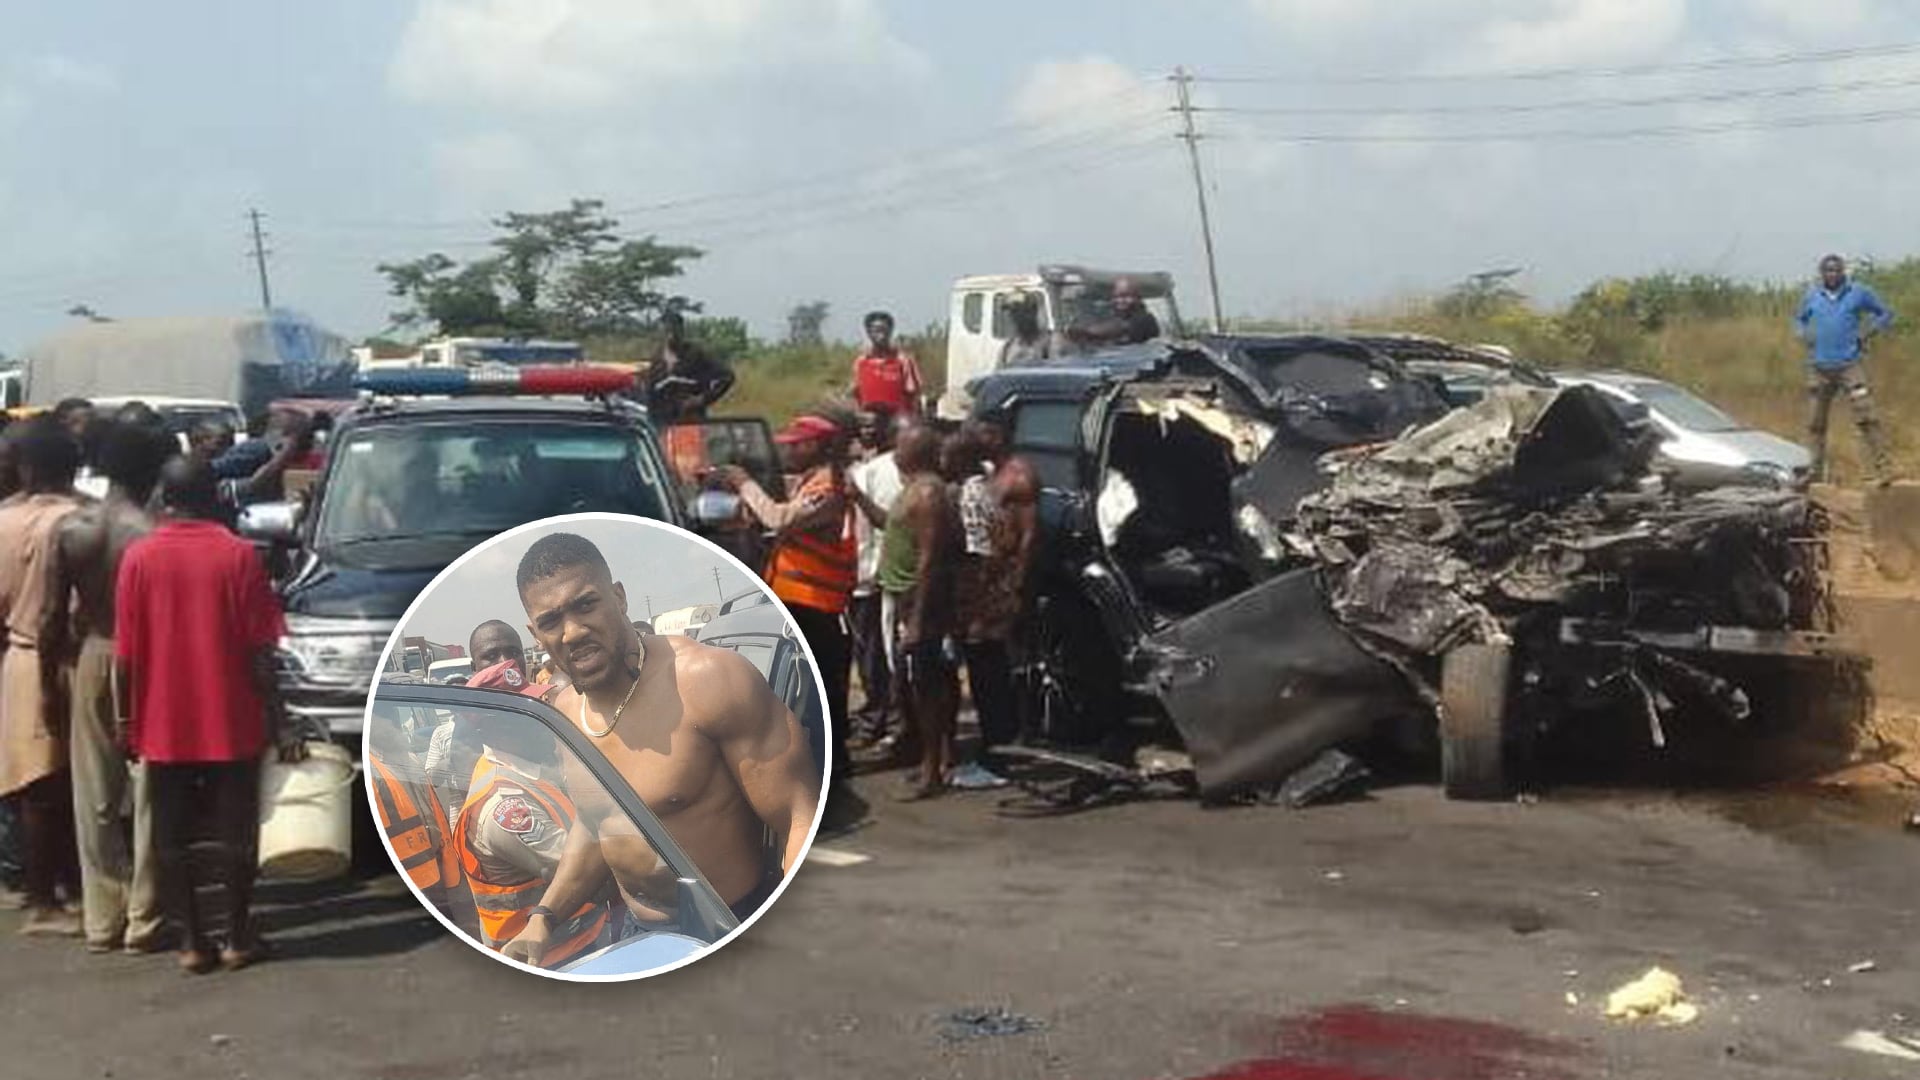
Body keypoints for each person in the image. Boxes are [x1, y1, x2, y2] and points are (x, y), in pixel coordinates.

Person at [499, 532, 822, 965]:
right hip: (641, 936)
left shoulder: (707, 681)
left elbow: (799, 817)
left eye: (586, 605)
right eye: (552, 620)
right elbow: (598, 824)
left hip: (730, 925)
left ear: (619, 597)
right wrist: (542, 919)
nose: (573, 632)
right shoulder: (564, 711)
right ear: (535, 633)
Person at [115, 458, 302, 974]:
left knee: (171, 832)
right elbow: (260, 652)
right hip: (232, 714)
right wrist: (279, 716)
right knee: (236, 828)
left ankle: (193, 943)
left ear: (163, 498)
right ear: (213, 496)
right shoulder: (238, 555)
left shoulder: (139, 557)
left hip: (162, 716)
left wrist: (126, 722)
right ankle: (239, 936)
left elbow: (126, 654)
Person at [41, 422, 174, 953]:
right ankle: (145, 917)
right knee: (150, 792)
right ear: (151, 475)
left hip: (92, 652)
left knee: (93, 794)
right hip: (147, 658)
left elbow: (53, 616)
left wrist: (52, 681)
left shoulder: (73, 529)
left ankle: (102, 919)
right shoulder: (153, 534)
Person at [714, 413, 860, 828]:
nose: (790, 448)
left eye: (799, 443)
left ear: (820, 446)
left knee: (815, 693)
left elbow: (779, 518)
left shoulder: (828, 487)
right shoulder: (813, 479)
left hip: (814, 603)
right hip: (798, 599)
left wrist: (745, 483)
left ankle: (825, 780)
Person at [449, 683, 608, 969]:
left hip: (581, 939)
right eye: (529, 718)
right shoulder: (506, 809)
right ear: (495, 733)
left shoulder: (527, 769)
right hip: (552, 959)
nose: (543, 723)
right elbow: (585, 868)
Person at [0, 418, 85, 936]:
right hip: (72, 658)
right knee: (64, 785)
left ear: (25, 467)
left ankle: (44, 890)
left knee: (34, 783)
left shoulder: (3, 521)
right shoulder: (83, 520)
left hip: (19, 655)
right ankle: (50, 897)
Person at [949, 415, 1040, 787]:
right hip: (988, 584)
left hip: (998, 586)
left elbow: (1029, 536)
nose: (975, 436)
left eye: (982, 430)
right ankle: (998, 745)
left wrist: (1013, 585)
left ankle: (998, 757)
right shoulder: (990, 475)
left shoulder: (1018, 475)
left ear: (998, 435)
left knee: (991, 672)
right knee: (986, 669)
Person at [877, 422, 961, 800]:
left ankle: (932, 770)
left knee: (926, 686)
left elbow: (930, 558)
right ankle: (936, 760)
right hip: (905, 597)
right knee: (920, 683)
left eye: (900, 445)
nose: (894, 450)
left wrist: (917, 618)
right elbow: (893, 528)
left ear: (915, 451)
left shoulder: (927, 493)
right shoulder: (911, 489)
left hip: (919, 600)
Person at [1795, 254, 1896, 485]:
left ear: (1843, 272)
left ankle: (1884, 469)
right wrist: (1803, 333)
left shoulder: (1858, 292)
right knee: (1815, 424)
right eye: (1827, 271)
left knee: (1866, 416)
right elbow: (1798, 320)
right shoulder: (1812, 295)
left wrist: (1868, 332)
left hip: (1850, 366)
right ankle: (1814, 473)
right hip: (1819, 368)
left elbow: (1885, 313)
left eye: (1836, 270)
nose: (1832, 274)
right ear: (1821, 273)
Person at [844, 409, 904, 749]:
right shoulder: (879, 470)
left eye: (872, 425)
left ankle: (881, 717)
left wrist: (862, 573)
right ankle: (886, 716)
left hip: (871, 575)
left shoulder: (867, 474)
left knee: (875, 653)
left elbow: (864, 530)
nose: (866, 431)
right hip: (884, 573)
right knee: (882, 651)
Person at [639, 311, 735, 424]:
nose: (671, 335)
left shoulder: (696, 354)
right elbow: (651, 395)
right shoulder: (656, 361)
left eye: (674, 330)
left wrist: (702, 399)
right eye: (667, 331)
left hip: (691, 420)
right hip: (665, 423)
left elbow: (726, 376)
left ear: (681, 331)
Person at [850, 311, 926, 417]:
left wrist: (914, 419)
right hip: (867, 419)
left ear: (890, 331)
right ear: (868, 333)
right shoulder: (861, 362)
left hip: (897, 421)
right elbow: (855, 394)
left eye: (884, 330)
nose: (881, 335)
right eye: (876, 331)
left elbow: (913, 394)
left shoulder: (903, 361)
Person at [998, 295, 1054, 366]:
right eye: (1012, 313)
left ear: (1033, 312)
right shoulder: (1008, 347)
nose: (1015, 317)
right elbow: (1001, 373)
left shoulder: (1050, 342)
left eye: (1019, 311)